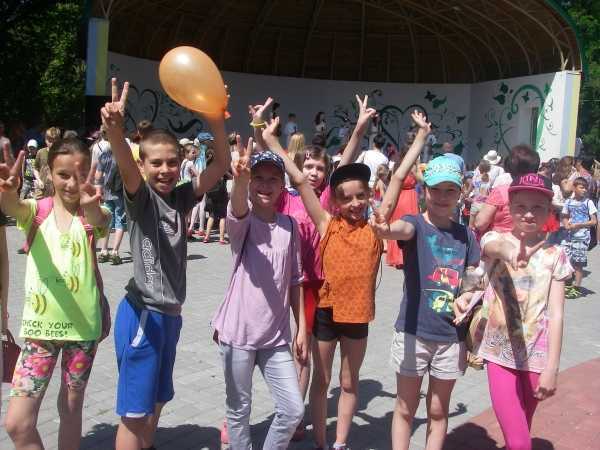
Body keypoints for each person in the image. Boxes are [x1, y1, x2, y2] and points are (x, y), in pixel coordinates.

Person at [266, 110, 430, 450]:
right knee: (322, 380)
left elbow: (399, 177)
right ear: (335, 201)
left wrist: (421, 137)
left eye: (360, 196)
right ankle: (321, 442)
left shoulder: (376, 227)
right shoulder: (326, 224)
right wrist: (271, 142)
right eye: (346, 198)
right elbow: (300, 181)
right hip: (326, 314)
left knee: (349, 381)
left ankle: (340, 443)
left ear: (369, 195)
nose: (355, 203)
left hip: (358, 318)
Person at [101, 78, 229, 450]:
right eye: (155, 163)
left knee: (156, 400)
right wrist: (116, 132)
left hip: (170, 316)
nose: (165, 169)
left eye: (172, 162)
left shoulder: (181, 198)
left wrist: (216, 118)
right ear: (143, 166)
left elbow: (221, 164)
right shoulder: (141, 198)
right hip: (143, 314)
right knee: (135, 413)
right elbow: (126, 168)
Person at [248, 94, 376, 442]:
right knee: (269, 344)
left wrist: (359, 128)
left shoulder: (327, 203)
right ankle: (251, 410)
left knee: (303, 352)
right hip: (284, 281)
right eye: (309, 166)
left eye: (321, 168)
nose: (314, 173)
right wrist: (261, 131)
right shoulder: (288, 196)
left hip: (318, 285)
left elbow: (346, 163)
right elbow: (267, 167)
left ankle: (296, 417)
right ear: (299, 165)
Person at [1, 138, 111, 450]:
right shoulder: (36, 211)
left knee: (71, 408)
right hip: (40, 332)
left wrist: (92, 206)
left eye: (81, 174)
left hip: (83, 331)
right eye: (64, 174)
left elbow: (101, 220)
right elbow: (12, 207)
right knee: (17, 423)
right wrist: (8, 191)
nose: (73, 183)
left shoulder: (92, 212)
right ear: (49, 172)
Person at [371, 155, 480, 450]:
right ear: (425, 191)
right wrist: (383, 228)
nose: (442, 197)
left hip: (451, 337)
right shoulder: (415, 224)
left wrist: (468, 295)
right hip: (413, 334)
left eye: (450, 190)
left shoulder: (467, 236)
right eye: (436, 189)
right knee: (405, 407)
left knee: (438, 410)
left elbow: (473, 278)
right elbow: (397, 230)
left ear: (460, 193)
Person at [212, 146, 307, 450]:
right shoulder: (244, 222)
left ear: (282, 186)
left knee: (293, 409)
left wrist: (302, 328)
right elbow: (238, 205)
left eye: (273, 179)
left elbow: (296, 280)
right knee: (239, 409)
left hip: (276, 337)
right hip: (238, 333)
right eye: (259, 178)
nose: (265, 185)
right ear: (251, 183)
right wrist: (240, 182)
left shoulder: (290, 226)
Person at [478, 173, 572, 450]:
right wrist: (509, 254)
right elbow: (492, 247)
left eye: (537, 207)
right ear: (509, 207)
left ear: (549, 210)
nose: (529, 214)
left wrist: (552, 368)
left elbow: (556, 314)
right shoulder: (495, 239)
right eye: (521, 206)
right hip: (499, 353)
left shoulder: (556, 255)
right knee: (520, 443)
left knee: (521, 429)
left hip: (536, 357)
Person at [474, 145, 541, 236]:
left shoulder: (501, 191)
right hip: (530, 241)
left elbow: (480, 223)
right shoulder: (540, 194)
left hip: (499, 240)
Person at [386, 135, 421, 269]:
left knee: (400, 225)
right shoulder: (411, 166)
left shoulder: (397, 166)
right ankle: (405, 257)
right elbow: (421, 180)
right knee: (409, 225)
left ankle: (398, 257)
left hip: (400, 197)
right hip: (408, 197)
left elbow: (392, 183)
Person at [560, 177, 597, 298]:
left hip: (582, 236)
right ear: (574, 188)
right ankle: (568, 284)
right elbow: (564, 215)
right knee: (566, 259)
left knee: (578, 263)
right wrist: (566, 224)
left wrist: (579, 225)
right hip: (569, 236)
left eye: (585, 188)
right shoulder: (568, 202)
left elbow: (594, 221)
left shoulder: (588, 202)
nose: (584, 190)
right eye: (581, 187)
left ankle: (577, 287)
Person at [96, 144, 127, 265]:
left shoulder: (104, 155)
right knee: (120, 220)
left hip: (107, 192)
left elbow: (98, 176)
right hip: (120, 193)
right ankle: (115, 252)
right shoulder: (123, 154)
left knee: (107, 221)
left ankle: (104, 251)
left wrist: (99, 190)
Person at [203, 150, 229, 244]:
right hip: (221, 195)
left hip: (211, 195)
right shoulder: (221, 167)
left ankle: (207, 236)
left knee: (211, 215)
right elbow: (230, 176)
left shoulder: (207, 168)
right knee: (222, 216)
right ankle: (221, 238)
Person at [34, 126, 61, 199]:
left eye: (54, 141)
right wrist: (38, 180)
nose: (51, 144)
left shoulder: (60, 154)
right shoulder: (40, 152)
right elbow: (36, 168)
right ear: (45, 140)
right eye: (49, 141)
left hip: (54, 189)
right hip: (41, 187)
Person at [469, 160, 492, 228]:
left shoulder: (476, 177)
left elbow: (471, 188)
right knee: (481, 228)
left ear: (479, 168)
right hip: (485, 205)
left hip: (475, 203)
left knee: (471, 226)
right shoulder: (490, 178)